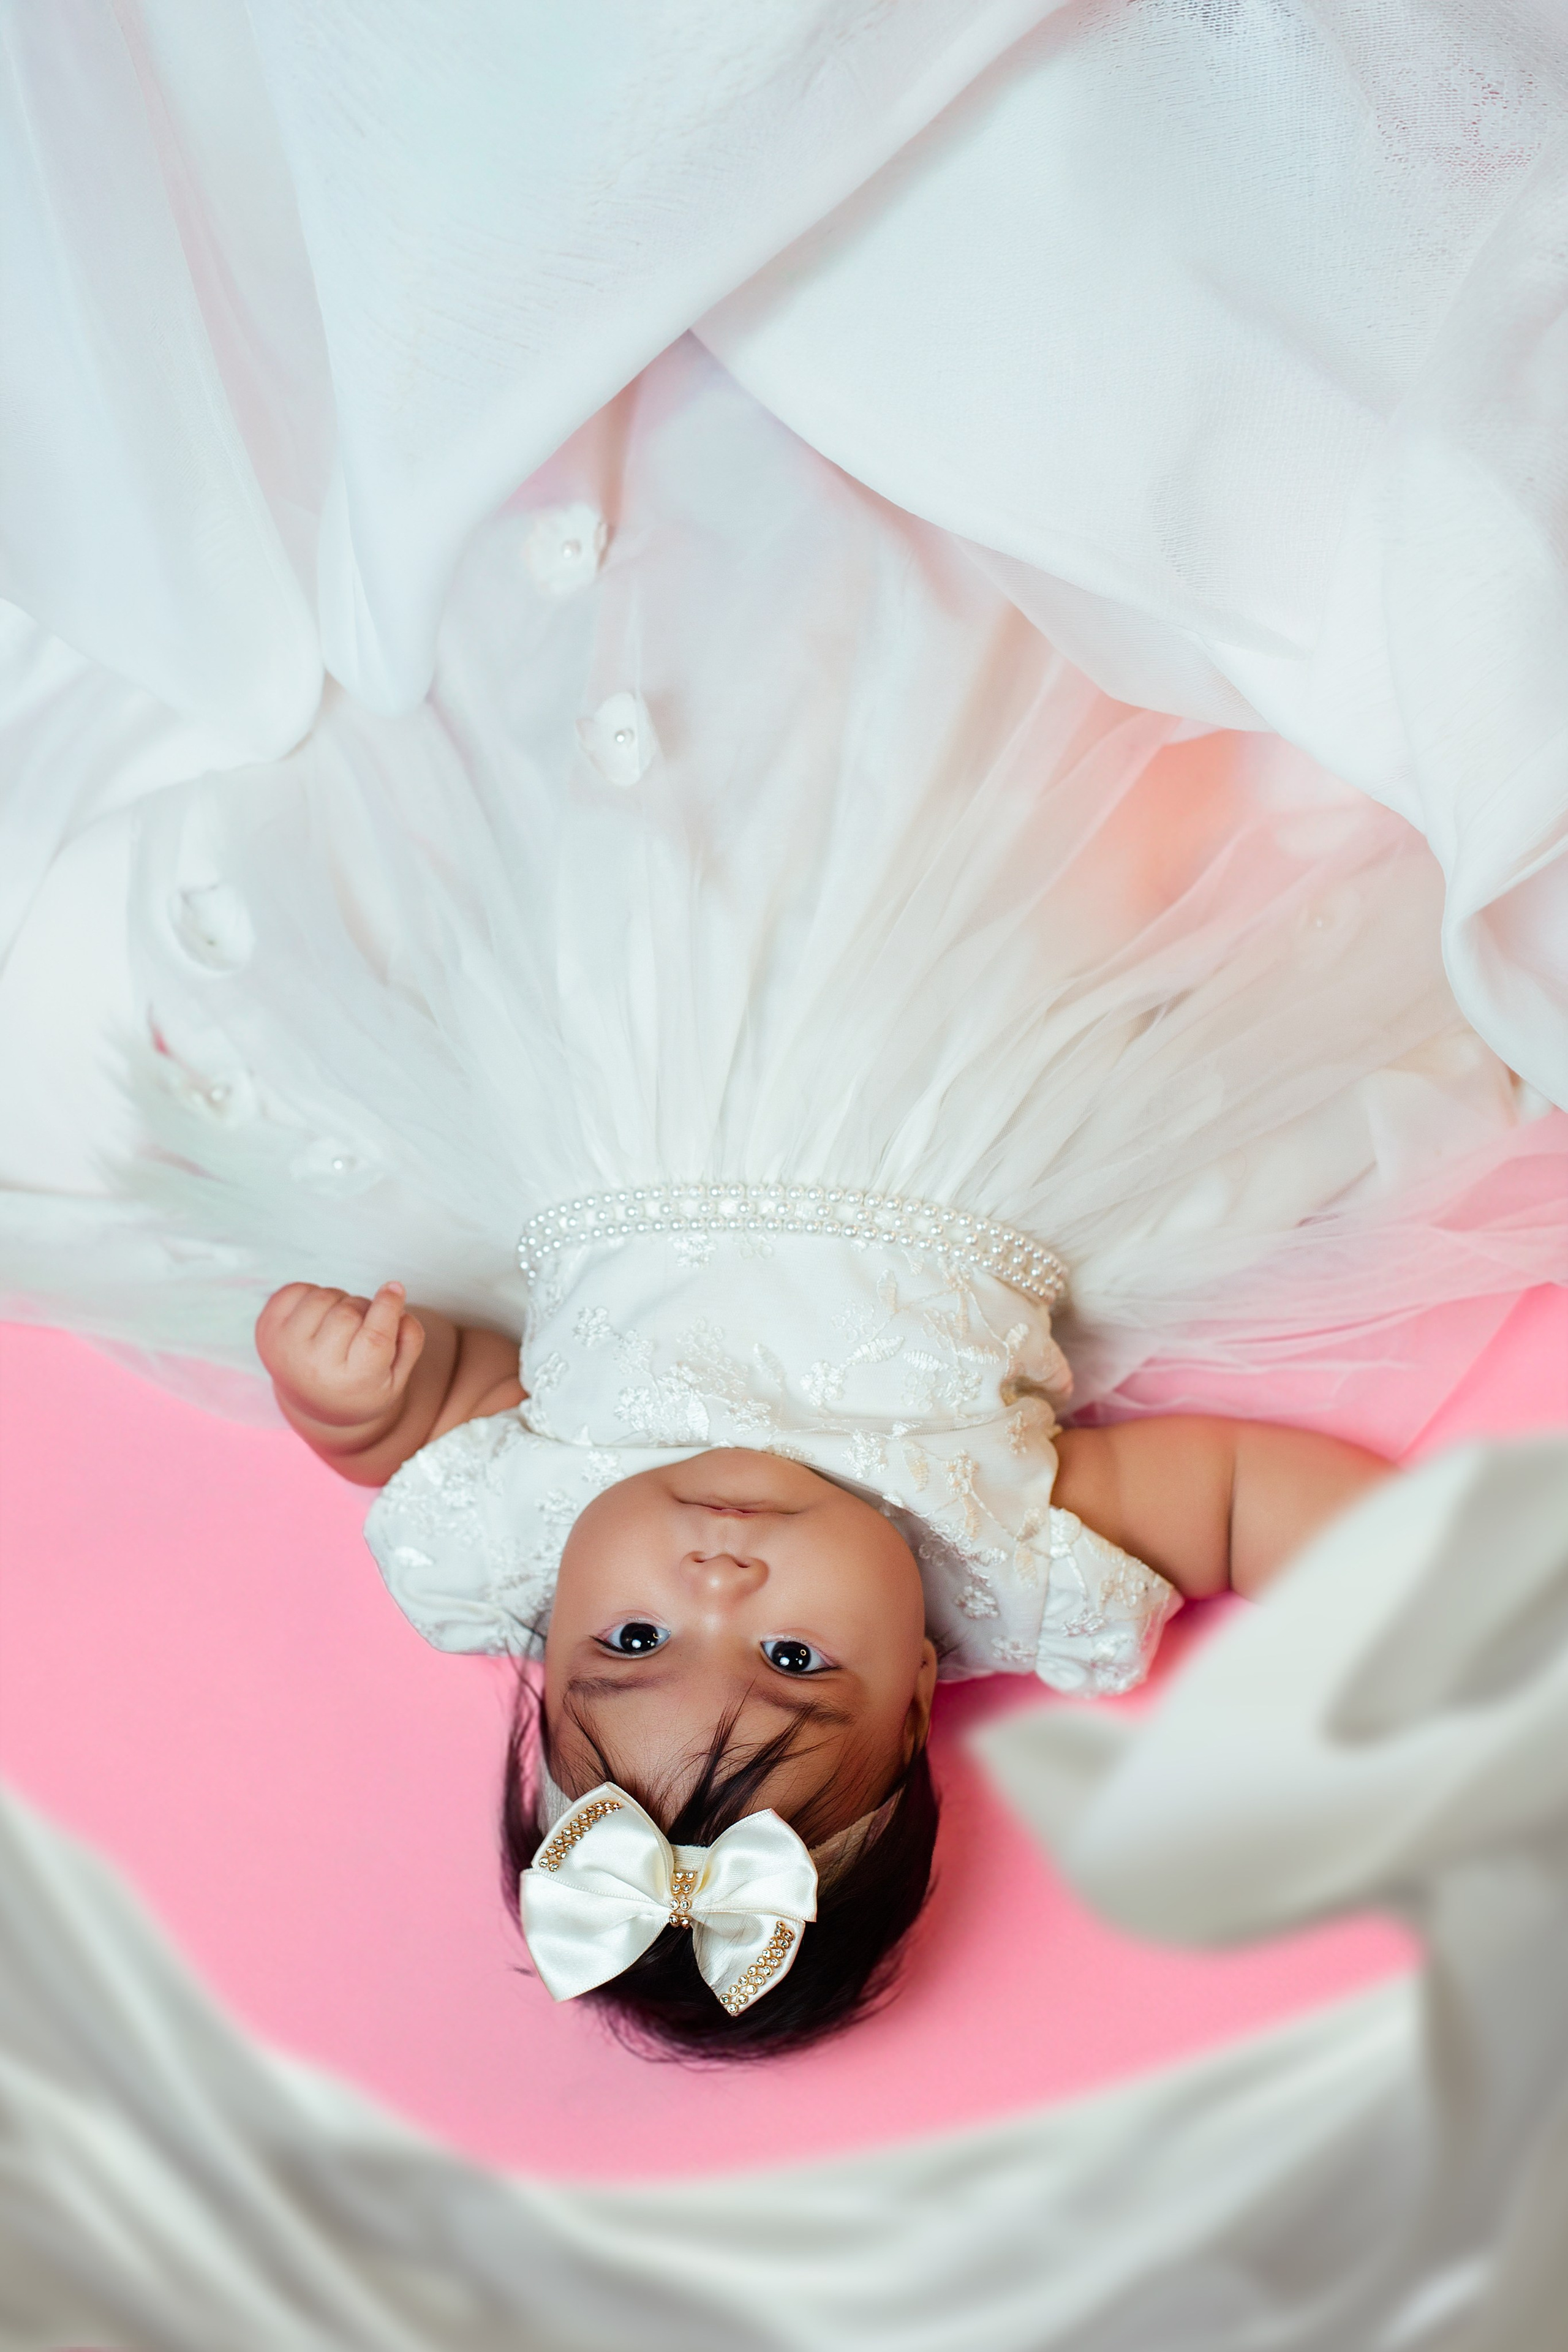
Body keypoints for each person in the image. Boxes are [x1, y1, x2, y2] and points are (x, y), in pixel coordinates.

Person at [2, 341, 1563, 2057]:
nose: (721, 1588)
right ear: (917, 1698)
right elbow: (1253, 1504)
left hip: (628, 1007)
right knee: (1027, 706)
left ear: (548, 1636)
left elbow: (443, 1413)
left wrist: (357, 1393)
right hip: (981, 1019)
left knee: (641, 668)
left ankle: (705, 410)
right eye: (798, 1673)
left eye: (634, 1636)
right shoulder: (1000, 1534)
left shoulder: (529, 1509)